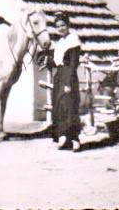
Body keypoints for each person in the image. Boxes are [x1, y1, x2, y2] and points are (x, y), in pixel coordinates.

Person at [51, 11, 82, 152]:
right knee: (59, 106)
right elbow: (57, 62)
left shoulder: (73, 40)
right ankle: (63, 136)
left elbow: (73, 63)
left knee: (69, 106)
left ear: (68, 25)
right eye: (58, 26)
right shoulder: (60, 42)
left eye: (63, 25)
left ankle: (75, 139)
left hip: (69, 76)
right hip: (59, 76)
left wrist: (68, 83)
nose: (60, 28)